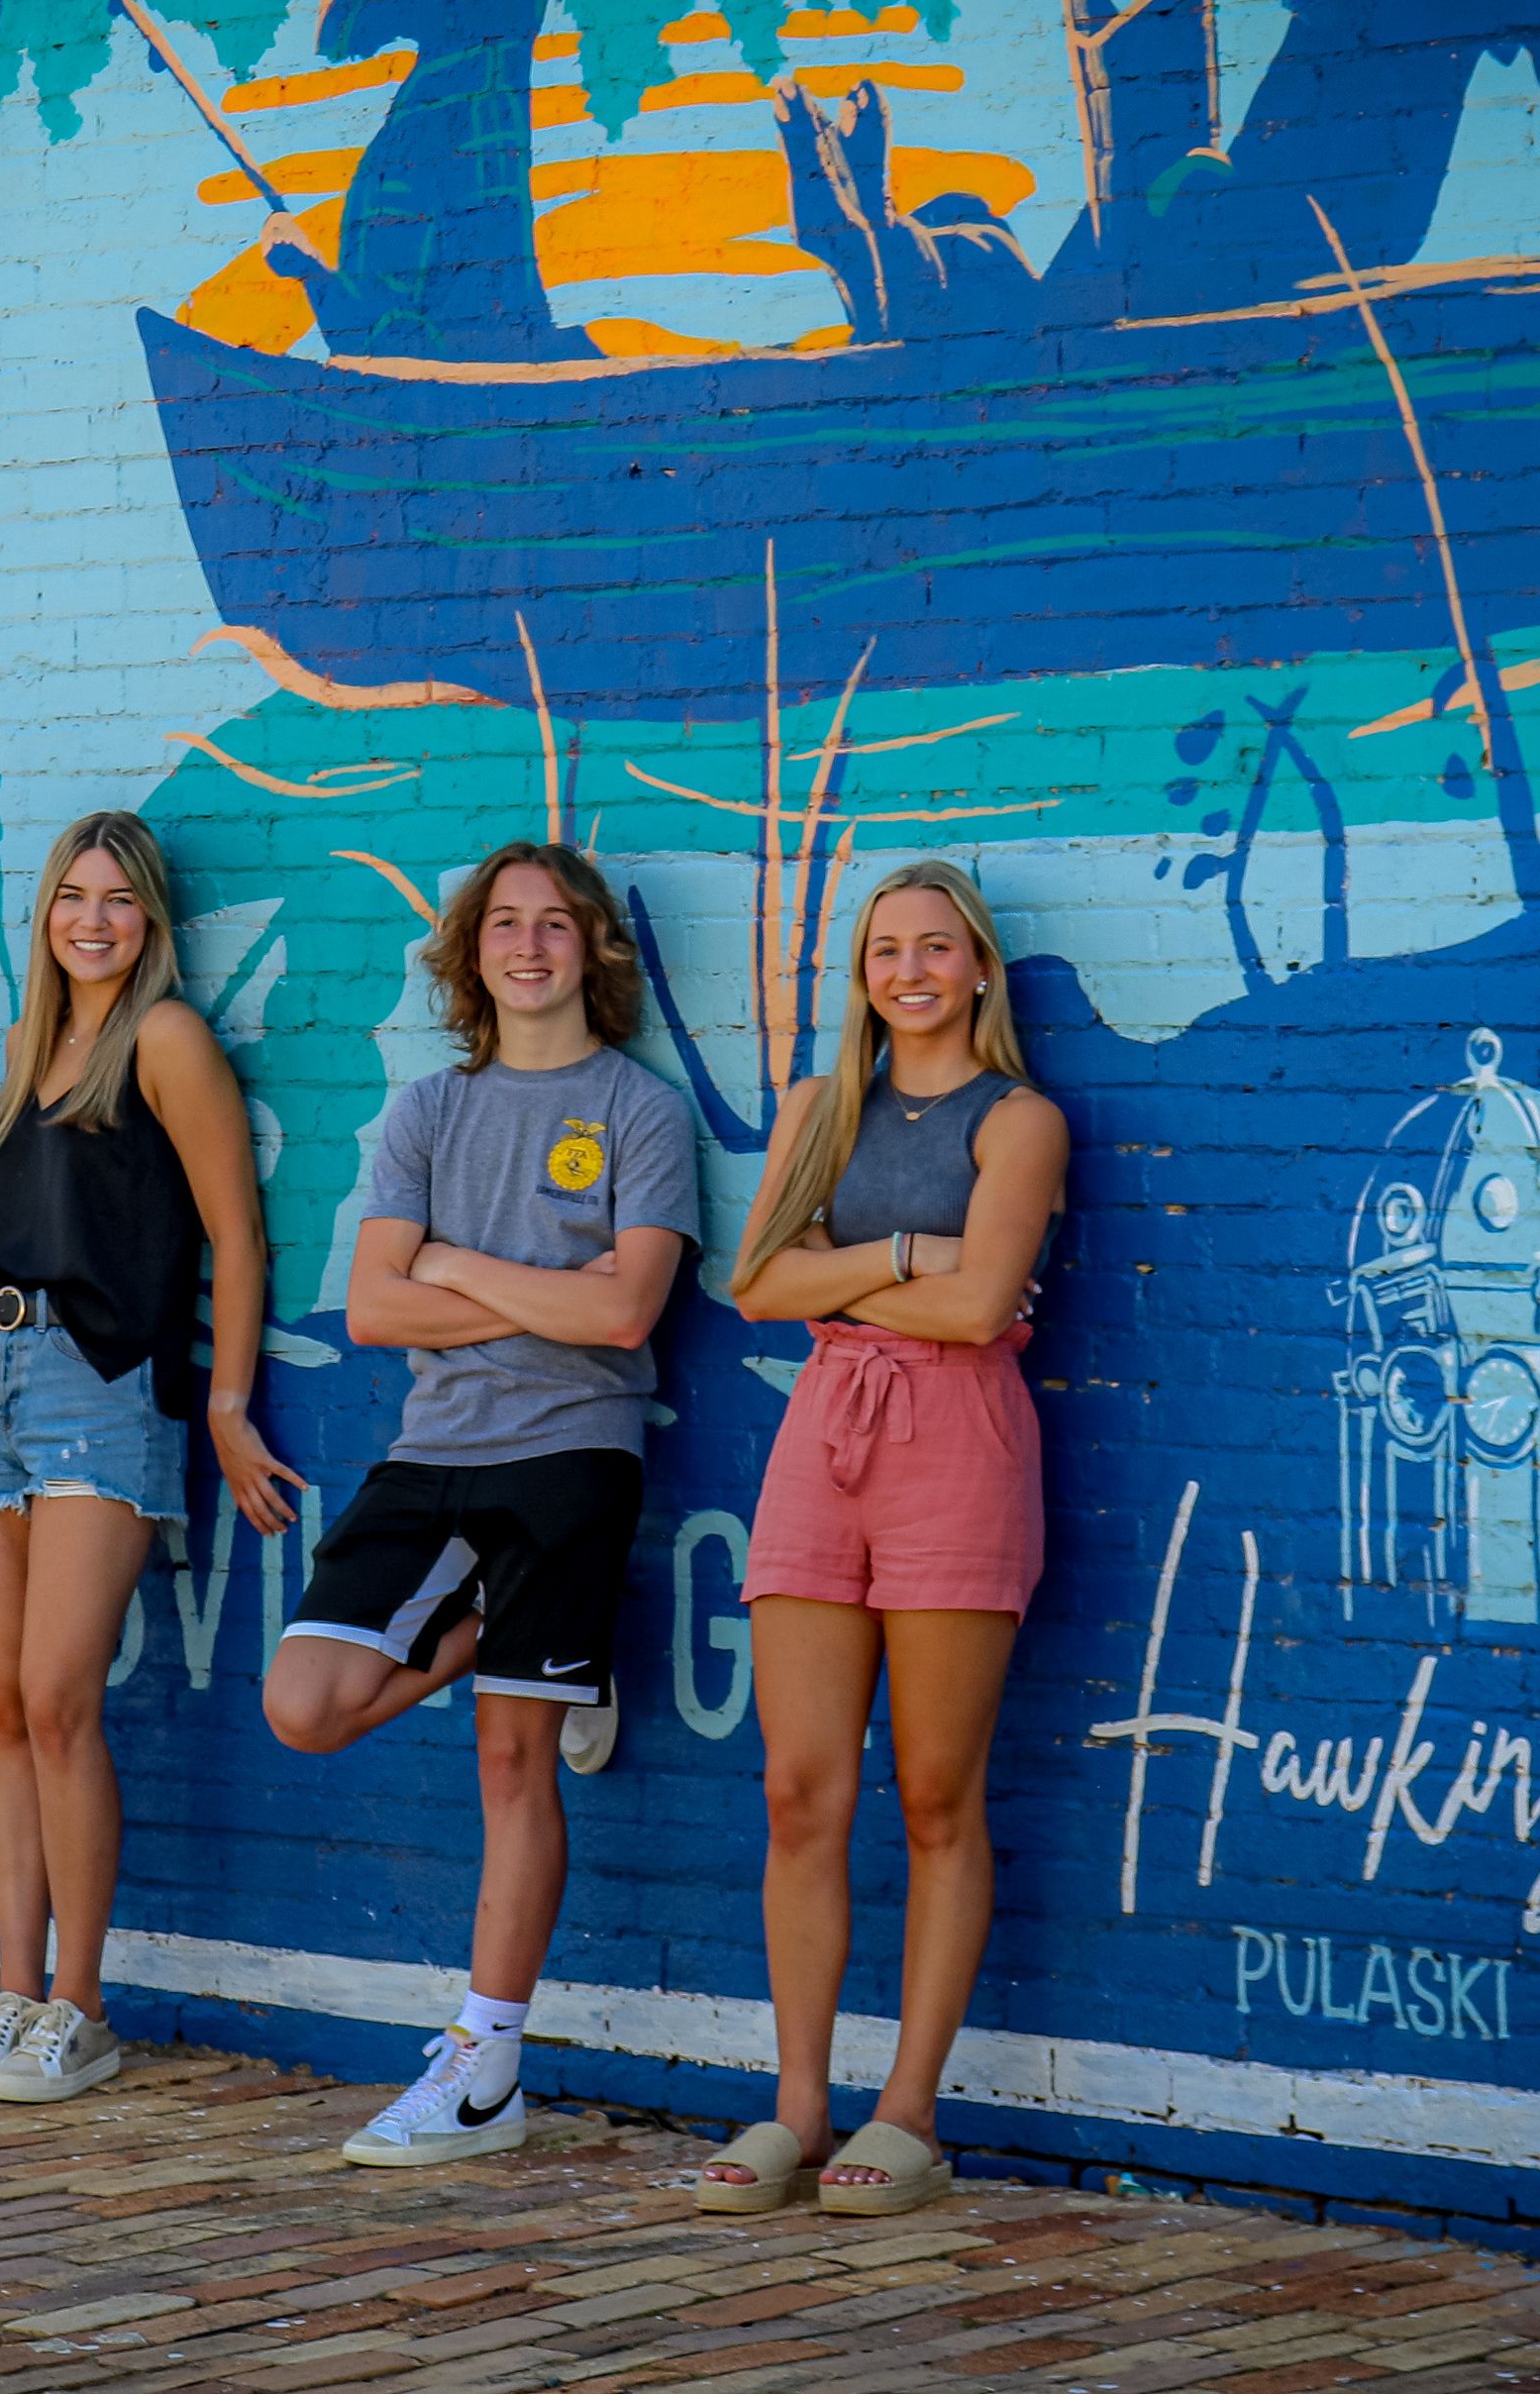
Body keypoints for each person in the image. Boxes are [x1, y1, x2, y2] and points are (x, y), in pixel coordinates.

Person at [260, 841, 696, 2166]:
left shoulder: (640, 1112)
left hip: (575, 1450)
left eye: (554, 923)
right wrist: (525, 1286)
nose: (527, 945)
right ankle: (525, 1649)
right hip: (435, 1448)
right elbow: (378, 1307)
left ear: (593, 952)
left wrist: (456, 1259)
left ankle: (486, 2070)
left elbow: (626, 1311)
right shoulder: (432, 1112)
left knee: (511, 1761)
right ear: (471, 953)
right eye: (503, 924)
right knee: (305, 1704)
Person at [700, 860, 1066, 2217]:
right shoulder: (818, 1105)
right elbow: (753, 1284)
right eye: (883, 950)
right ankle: (798, 2105)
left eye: (934, 947)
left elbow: (985, 1316)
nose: (907, 970)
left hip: (960, 1449)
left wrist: (852, 1279)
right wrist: (914, 1256)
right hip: (825, 1444)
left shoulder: (1020, 1121)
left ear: (977, 965)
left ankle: (905, 2110)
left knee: (932, 1795)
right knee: (801, 1790)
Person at [0, 812, 301, 2105]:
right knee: (3, 1703)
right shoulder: (42, 1044)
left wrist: (228, 1406)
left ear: (152, 920)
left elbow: (234, 1241)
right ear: (47, 915)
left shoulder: (167, 1039)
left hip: (101, 1384)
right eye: (71, 897)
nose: (93, 920)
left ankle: (81, 2007)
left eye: (119, 900)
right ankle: (15, 1992)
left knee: (59, 1696)